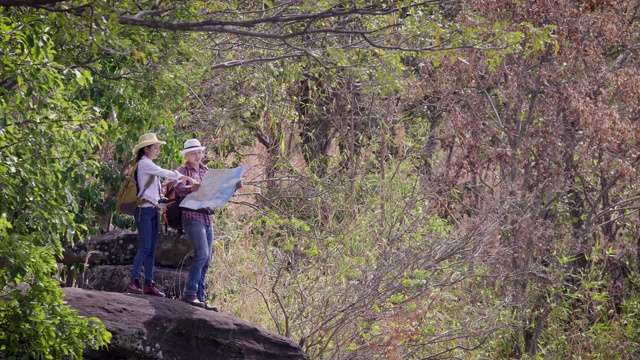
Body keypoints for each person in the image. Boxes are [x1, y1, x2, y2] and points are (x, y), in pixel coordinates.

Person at [174, 138, 242, 311]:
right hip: (191, 215)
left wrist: (234, 187)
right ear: (186, 155)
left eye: (199, 152)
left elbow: (218, 193)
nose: (197, 156)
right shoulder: (182, 171)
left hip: (207, 217)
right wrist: (191, 188)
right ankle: (190, 293)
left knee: (207, 259)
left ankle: (201, 298)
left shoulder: (207, 171)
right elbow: (178, 188)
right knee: (202, 254)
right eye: (193, 153)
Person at [126, 133, 197, 297]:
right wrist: (185, 177)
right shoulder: (144, 164)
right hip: (144, 210)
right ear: (146, 149)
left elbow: (155, 188)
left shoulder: (148, 165)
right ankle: (134, 280)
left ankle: (148, 283)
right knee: (145, 247)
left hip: (152, 209)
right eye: (155, 148)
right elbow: (165, 172)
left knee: (151, 249)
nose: (157, 151)